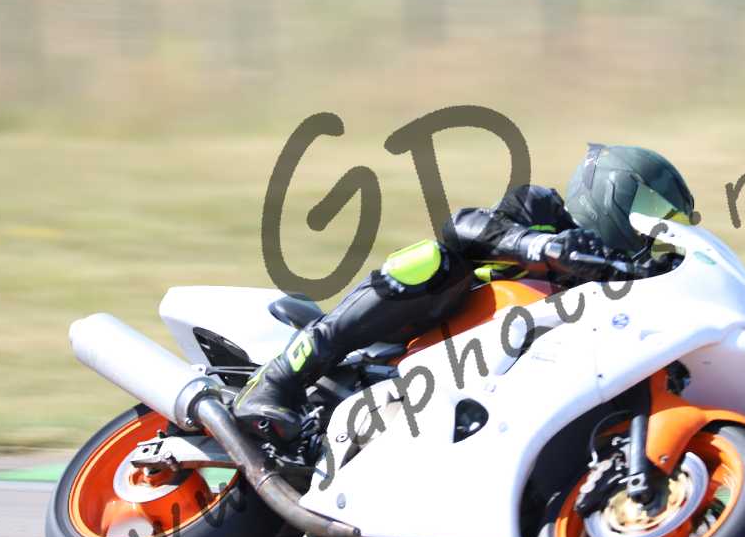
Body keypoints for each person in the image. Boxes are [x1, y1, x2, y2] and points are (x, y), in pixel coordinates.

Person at [232, 143, 696, 446]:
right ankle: (278, 380)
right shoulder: (543, 210)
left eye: (669, 223)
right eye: (652, 211)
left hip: (489, 395)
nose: (657, 230)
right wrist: (544, 247)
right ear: (613, 193)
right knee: (433, 261)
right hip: (421, 338)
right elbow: (463, 226)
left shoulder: (625, 284)